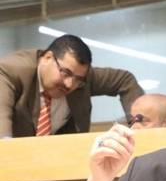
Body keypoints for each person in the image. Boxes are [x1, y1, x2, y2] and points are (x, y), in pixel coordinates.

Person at [0, 34, 144, 138]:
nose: (70, 84)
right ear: (47, 58)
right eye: (65, 73)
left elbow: (124, 80)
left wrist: (138, 124)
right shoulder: (10, 71)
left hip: (62, 158)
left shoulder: (83, 77)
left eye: (78, 79)